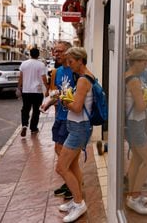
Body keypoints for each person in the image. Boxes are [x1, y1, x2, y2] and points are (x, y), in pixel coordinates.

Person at [56, 47, 93, 222]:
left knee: (61, 167)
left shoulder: (83, 80)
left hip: (79, 128)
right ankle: (77, 199)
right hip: (78, 126)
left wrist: (64, 100)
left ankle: (79, 203)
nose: (69, 65)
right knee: (73, 166)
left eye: (71, 62)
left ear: (80, 60)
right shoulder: (84, 78)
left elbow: (77, 108)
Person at [125, 49, 147, 215]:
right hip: (136, 124)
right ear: (136, 62)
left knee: (136, 161)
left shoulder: (127, 76)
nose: (145, 68)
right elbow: (140, 106)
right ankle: (134, 197)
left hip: (132, 124)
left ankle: (132, 194)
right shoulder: (134, 81)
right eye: (144, 64)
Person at [50, 41, 75, 200]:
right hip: (59, 116)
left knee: (65, 153)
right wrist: (49, 103)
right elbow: (55, 93)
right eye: (55, 51)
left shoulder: (74, 71)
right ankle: (70, 182)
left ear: (68, 52)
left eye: (60, 51)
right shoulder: (56, 72)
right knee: (59, 150)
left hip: (71, 118)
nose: (56, 54)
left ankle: (73, 185)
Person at [17, 48, 48, 137]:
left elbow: (21, 77)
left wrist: (19, 87)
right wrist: (47, 88)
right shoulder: (41, 65)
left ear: (30, 54)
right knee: (36, 110)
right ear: (38, 55)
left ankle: (24, 125)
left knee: (25, 109)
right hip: (37, 91)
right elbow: (44, 77)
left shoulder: (24, 64)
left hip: (26, 91)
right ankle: (33, 128)